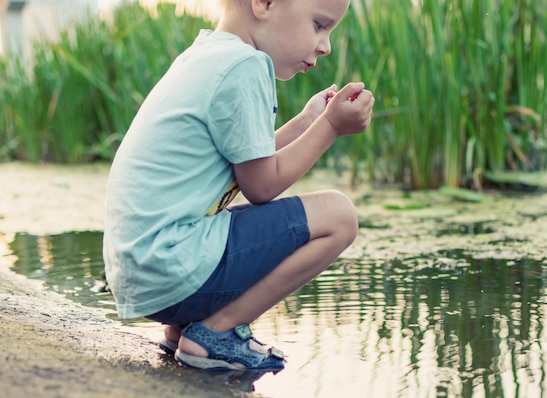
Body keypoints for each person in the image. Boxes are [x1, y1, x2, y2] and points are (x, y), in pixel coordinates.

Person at [103, 0, 374, 371]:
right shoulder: (245, 66)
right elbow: (261, 186)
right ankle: (217, 331)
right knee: (339, 217)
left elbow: (248, 157)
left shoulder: (208, 55)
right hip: (171, 268)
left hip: (145, 272)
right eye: (319, 25)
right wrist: (330, 127)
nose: (325, 45)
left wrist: (309, 120)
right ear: (263, 4)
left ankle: (184, 326)